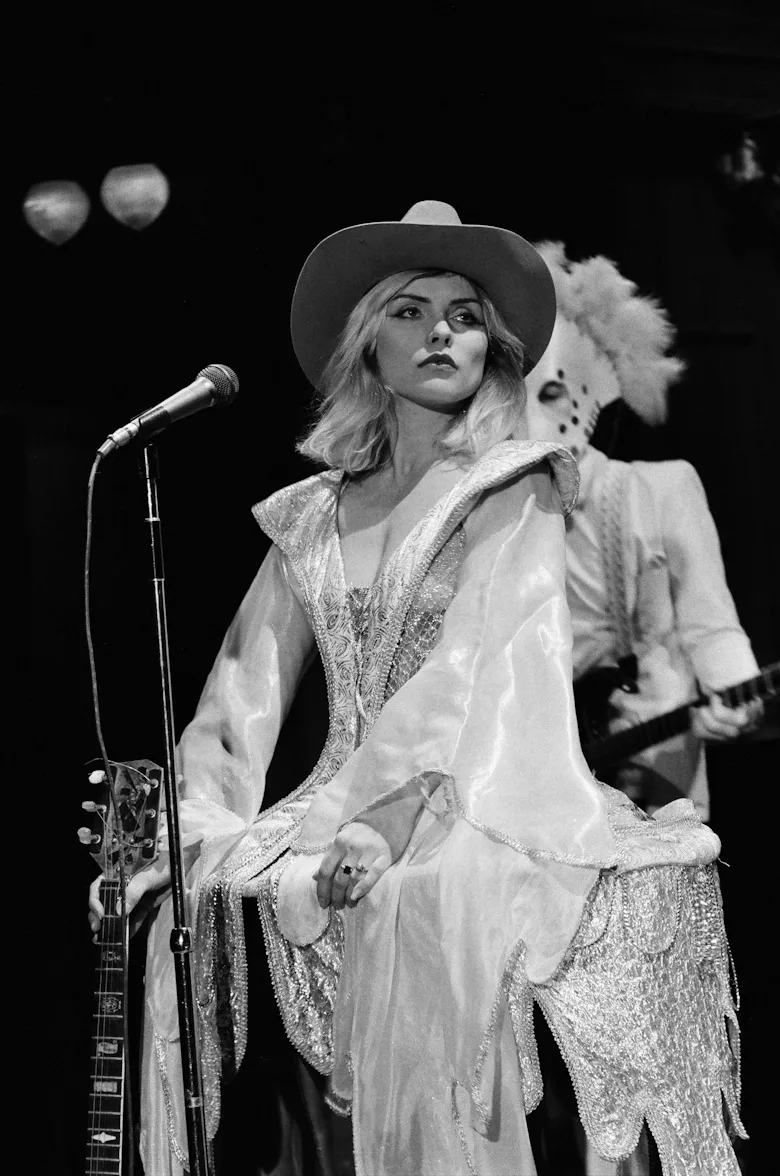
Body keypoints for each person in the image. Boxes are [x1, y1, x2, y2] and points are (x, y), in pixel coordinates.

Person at [90, 201, 745, 1176]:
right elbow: (239, 692)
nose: (441, 331)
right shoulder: (309, 515)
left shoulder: (515, 482)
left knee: (435, 898)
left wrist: (385, 815)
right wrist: (188, 824)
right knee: (188, 897)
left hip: (471, 793)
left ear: (493, 349)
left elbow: (478, 660)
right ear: (368, 343)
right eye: (410, 311)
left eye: (464, 315)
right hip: (334, 804)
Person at [522, 242, 762, 822]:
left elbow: (710, 621)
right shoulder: (499, 512)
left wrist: (735, 692)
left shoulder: (660, 490)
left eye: (549, 392)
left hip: (655, 766)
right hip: (540, 775)